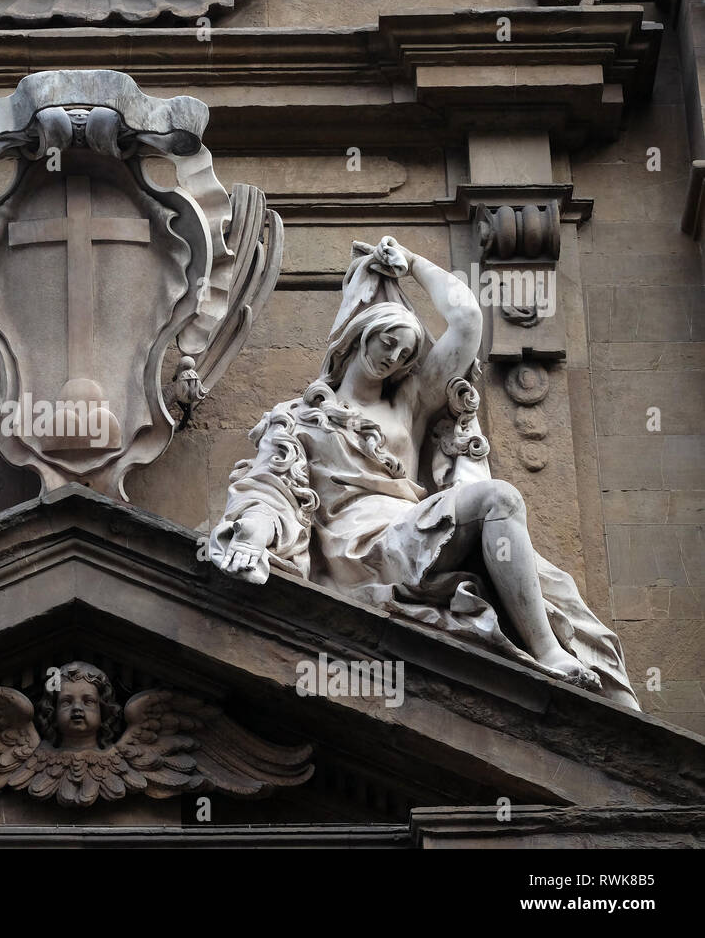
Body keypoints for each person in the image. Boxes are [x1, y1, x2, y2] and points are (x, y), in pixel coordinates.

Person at [208, 238, 638, 708]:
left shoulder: (408, 408)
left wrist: (413, 264)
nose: (392, 357)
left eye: (404, 353)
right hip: (360, 549)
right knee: (499, 500)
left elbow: (468, 321)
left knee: (502, 500)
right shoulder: (296, 417)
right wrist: (249, 538)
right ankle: (545, 649)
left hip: (412, 527)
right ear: (360, 336)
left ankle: (549, 652)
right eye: (387, 342)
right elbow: (269, 490)